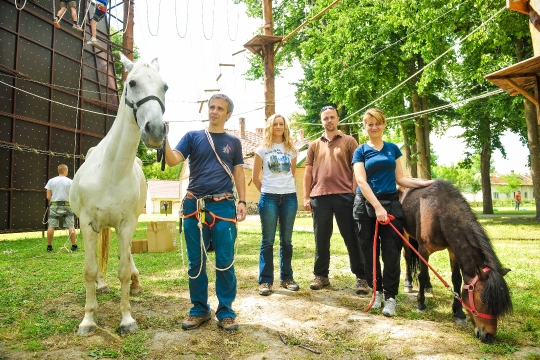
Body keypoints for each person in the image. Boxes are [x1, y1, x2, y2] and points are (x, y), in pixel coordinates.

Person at [165, 93, 247, 332]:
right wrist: (165, 138)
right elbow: (172, 161)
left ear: (228, 114)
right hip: (194, 206)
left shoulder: (234, 142)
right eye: (211, 107)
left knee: (224, 261)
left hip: (223, 206)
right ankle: (200, 309)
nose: (214, 111)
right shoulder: (192, 137)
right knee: (196, 262)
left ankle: (226, 312)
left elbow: (239, 174)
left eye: (220, 108)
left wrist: (242, 201)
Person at [353, 108, 434, 317]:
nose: (374, 127)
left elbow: (401, 179)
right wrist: (377, 207)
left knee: (391, 254)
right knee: (370, 253)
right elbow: (361, 181)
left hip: (391, 203)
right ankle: (377, 291)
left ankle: (390, 297)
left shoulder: (392, 149)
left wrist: (424, 183)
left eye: (377, 123)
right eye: (369, 124)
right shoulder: (360, 151)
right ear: (365, 127)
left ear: (383, 124)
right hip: (366, 205)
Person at [303, 105, 369, 294]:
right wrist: (307, 196)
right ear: (321, 121)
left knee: (352, 238)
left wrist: (355, 192)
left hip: (345, 196)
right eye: (325, 118)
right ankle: (321, 276)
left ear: (338, 119)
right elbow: (308, 172)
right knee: (321, 239)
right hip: (320, 196)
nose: (329, 121)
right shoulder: (314, 145)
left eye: (332, 117)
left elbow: (358, 167)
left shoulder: (349, 141)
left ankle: (361, 277)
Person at [253, 114, 299, 296]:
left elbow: (292, 174)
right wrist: (267, 191)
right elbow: (255, 178)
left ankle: (287, 278)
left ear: (285, 127)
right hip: (269, 198)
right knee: (268, 241)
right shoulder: (262, 150)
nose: (278, 127)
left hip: (289, 198)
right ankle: (265, 281)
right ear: (270, 127)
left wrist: (283, 189)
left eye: (281, 124)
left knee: (286, 241)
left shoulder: (291, 150)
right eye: (275, 124)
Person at [44, 164, 78, 252]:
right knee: (71, 226)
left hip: (55, 205)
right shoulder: (70, 182)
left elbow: (48, 196)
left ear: (58, 171)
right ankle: (74, 245)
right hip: (67, 205)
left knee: (51, 226)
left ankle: (49, 246)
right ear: (65, 171)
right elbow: (74, 195)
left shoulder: (51, 181)